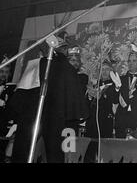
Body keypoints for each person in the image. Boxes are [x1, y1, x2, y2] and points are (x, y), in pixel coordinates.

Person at [9, 33, 89, 163]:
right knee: (53, 152)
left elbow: (20, 95)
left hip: (32, 115)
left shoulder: (35, 65)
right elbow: (75, 102)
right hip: (54, 116)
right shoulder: (66, 69)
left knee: (24, 149)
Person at [111, 45, 137, 138]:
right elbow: (114, 101)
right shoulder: (120, 79)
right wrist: (116, 89)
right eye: (129, 61)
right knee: (121, 149)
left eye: (134, 61)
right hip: (122, 120)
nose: (131, 63)